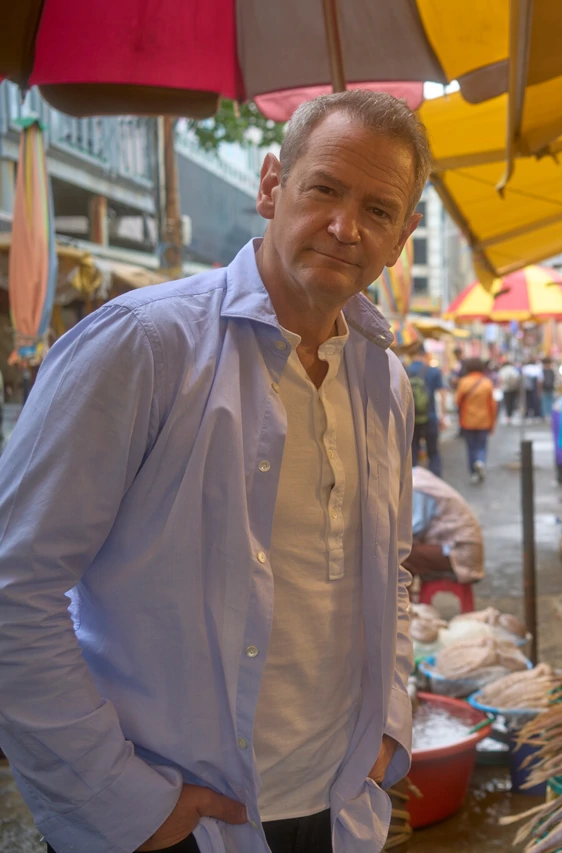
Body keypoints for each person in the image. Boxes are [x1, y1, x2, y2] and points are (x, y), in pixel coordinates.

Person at [0, 90, 427, 853]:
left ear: (403, 238)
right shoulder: (143, 345)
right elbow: (14, 589)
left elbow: (389, 571)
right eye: (324, 187)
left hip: (335, 806)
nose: (344, 226)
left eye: (379, 209)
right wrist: (117, 797)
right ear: (271, 186)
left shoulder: (383, 379)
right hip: (177, 820)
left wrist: (389, 721)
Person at [402, 466, 484, 584]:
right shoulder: (416, 477)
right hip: (458, 548)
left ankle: (398, 601)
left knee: (399, 557)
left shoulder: (416, 486)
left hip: (460, 553)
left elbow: (414, 528)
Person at [456, 357, 497, 483]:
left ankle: (473, 472)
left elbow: (457, 401)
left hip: (468, 420)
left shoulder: (463, 382)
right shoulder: (487, 383)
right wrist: (492, 423)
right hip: (484, 420)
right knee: (482, 445)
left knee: (470, 447)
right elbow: (492, 406)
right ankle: (481, 461)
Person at [406, 349, 444, 476]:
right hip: (430, 416)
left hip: (410, 418)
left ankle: (414, 481)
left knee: (413, 450)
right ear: (424, 355)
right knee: (433, 451)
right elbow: (442, 393)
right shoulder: (433, 371)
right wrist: (442, 416)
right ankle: (435, 478)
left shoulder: (404, 370)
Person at [497, 360, 522, 424]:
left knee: (507, 403)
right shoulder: (513, 369)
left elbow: (500, 379)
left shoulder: (503, 370)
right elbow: (516, 377)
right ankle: (511, 415)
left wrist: (499, 386)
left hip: (505, 388)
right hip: (513, 388)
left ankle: (508, 417)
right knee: (512, 402)